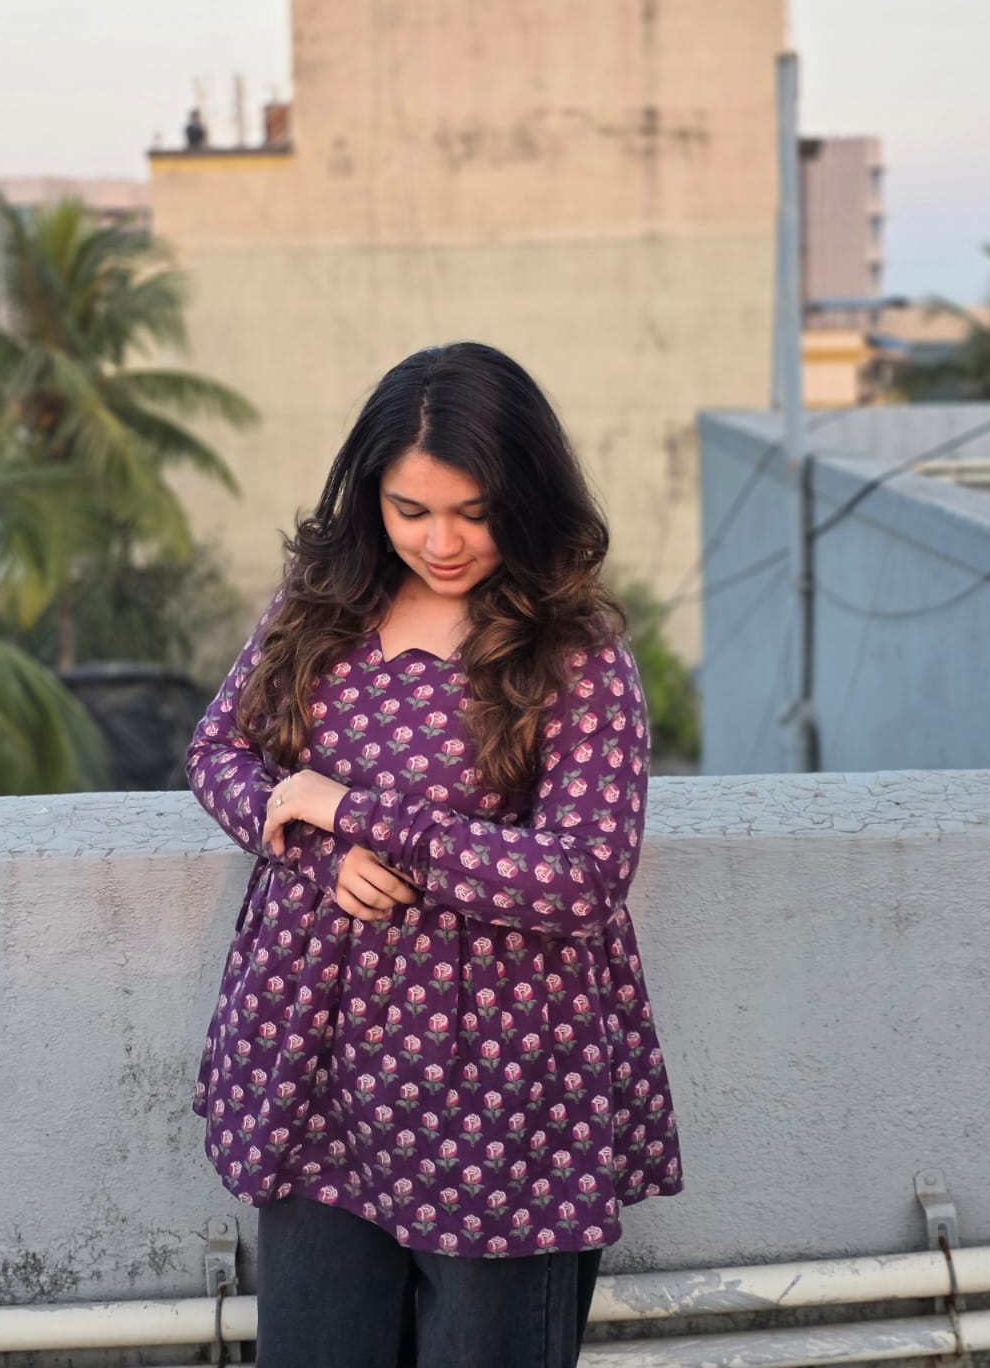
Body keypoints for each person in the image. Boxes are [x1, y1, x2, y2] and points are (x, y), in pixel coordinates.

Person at [187, 342, 683, 1368]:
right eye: (411, 510)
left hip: (501, 1089)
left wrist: (360, 813)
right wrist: (319, 852)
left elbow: (583, 874)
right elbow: (221, 752)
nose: (441, 541)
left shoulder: (575, 654)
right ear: (371, 496)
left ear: (529, 496)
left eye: (474, 511)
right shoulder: (320, 604)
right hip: (320, 1070)